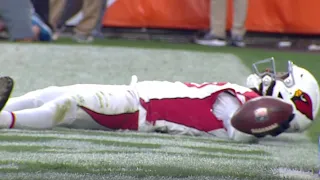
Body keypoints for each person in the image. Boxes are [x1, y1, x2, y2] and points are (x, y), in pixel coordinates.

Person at [0, 58, 318, 143]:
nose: (271, 75)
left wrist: (271, 120)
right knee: (53, 92)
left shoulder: (243, 110)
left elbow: (240, 128)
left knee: (67, 103)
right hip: (137, 96)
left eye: (280, 80)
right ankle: (5, 108)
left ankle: (4, 120)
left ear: (287, 97)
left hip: (139, 111)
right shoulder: (244, 99)